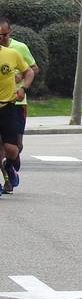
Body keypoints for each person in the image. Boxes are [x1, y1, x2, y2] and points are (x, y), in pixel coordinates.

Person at [0, 19, 38, 193]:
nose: (2, 38)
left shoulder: (14, 52)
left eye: (4, 34)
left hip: (11, 105)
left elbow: (31, 70)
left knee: (13, 149)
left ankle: (9, 165)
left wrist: (22, 87)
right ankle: (4, 182)